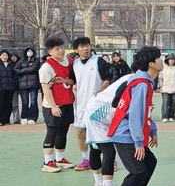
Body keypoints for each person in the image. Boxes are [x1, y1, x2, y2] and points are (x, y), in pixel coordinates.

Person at [103, 46, 162, 186]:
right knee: (137, 171)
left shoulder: (145, 81)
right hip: (125, 133)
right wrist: (138, 141)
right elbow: (135, 114)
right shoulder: (142, 84)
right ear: (151, 64)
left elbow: (145, 110)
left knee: (149, 162)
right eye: (158, 58)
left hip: (130, 131)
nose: (162, 61)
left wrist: (152, 129)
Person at [86, 73, 131, 186]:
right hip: (99, 112)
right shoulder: (133, 80)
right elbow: (117, 100)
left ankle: (99, 185)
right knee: (108, 151)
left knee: (96, 148)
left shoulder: (131, 77)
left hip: (99, 106)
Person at [71, 37, 113, 170]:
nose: (86, 48)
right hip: (81, 105)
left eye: (87, 45)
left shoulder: (98, 61)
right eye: (82, 46)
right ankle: (86, 160)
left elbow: (108, 79)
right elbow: (73, 81)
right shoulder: (75, 64)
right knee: (80, 132)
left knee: (101, 134)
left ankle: (110, 160)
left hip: (97, 105)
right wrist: (63, 81)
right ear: (76, 50)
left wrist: (98, 93)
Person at [38, 38, 76, 172]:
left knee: (63, 131)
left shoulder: (70, 62)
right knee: (52, 132)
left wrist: (64, 80)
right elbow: (45, 88)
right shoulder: (46, 67)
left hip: (67, 102)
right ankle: (47, 162)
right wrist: (54, 106)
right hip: (53, 105)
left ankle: (59, 159)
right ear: (50, 52)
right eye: (57, 49)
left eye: (62, 47)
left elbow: (72, 81)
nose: (61, 51)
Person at [14, 47, 41, 125]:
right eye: (28, 51)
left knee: (33, 101)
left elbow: (33, 69)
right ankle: (24, 117)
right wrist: (26, 70)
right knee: (24, 102)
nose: (29, 52)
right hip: (23, 85)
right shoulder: (21, 60)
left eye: (31, 51)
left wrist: (23, 70)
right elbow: (16, 69)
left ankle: (32, 118)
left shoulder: (36, 60)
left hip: (34, 84)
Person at [158, 53, 175, 122]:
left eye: (173, 59)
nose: (172, 61)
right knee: (165, 103)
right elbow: (160, 78)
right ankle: (165, 117)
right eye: (170, 59)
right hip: (165, 89)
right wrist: (161, 85)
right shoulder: (163, 69)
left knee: (173, 104)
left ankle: (171, 116)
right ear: (167, 60)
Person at [0, 50, 18, 126]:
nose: (5, 57)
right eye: (3, 55)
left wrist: (14, 84)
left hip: (10, 88)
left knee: (9, 104)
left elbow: (15, 75)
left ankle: (6, 120)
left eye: (6, 55)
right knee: (1, 104)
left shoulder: (11, 65)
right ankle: (1, 120)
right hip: (2, 88)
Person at [8, 52, 21, 123]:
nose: (13, 58)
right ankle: (16, 118)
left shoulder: (21, 63)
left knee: (25, 102)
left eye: (15, 56)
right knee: (14, 103)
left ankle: (22, 117)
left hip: (21, 86)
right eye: (12, 56)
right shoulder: (9, 65)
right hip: (13, 87)